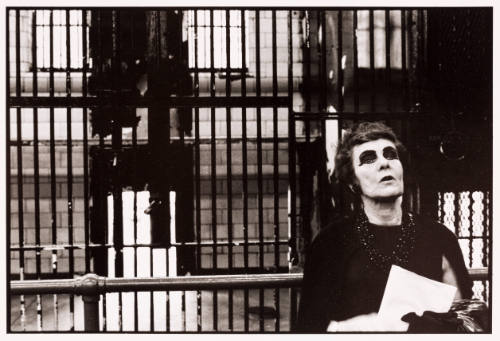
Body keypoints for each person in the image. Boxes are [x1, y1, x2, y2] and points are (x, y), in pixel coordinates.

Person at [295, 121, 473, 332]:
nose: (384, 163)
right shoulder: (330, 243)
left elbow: (465, 317)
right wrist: (352, 327)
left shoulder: (439, 238)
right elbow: (309, 326)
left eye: (391, 155)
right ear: (353, 181)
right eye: (368, 158)